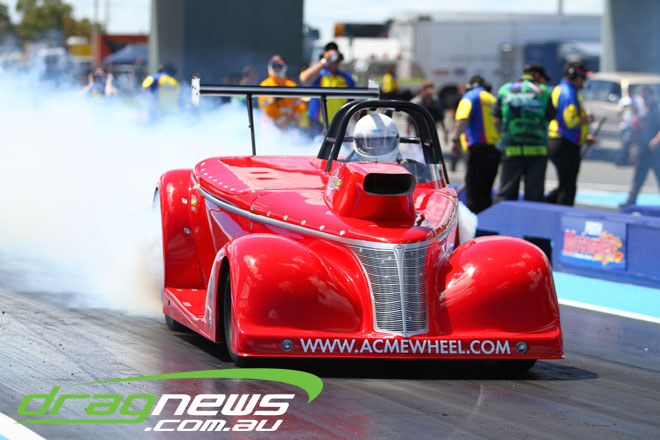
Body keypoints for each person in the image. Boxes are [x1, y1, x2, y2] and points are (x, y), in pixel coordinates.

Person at [493, 64, 555, 203]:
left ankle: (503, 217)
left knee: (506, 193)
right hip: (537, 151)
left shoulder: (505, 89)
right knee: (534, 197)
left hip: (511, 149)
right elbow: (550, 117)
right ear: (537, 76)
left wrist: (504, 137)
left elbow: (496, 120)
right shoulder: (543, 91)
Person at [545, 62, 596, 206]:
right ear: (573, 75)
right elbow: (570, 121)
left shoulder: (562, 89)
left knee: (565, 183)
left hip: (561, 140)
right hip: (564, 143)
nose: (584, 81)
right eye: (582, 77)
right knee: (568, 186)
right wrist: (587, 120)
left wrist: (584, 137)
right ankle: (562, 212)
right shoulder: (569, 94)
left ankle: (549, 205)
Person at [451, 75, 501, 213]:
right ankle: (486, 219)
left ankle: (475, 222)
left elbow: (463, 119)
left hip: (477, 149)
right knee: (486, 191)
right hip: (494, 150)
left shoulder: (470, 96)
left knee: (473, 193)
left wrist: (455, 140)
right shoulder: (492, 98)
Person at [299, 41, 355, 134]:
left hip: (339, 123)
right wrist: (324, 61)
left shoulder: (347, 78)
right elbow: (305, 79)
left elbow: (351, 102)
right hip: (317, 124)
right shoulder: (318, 75)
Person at [621, 87, 660, 207]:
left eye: (646, 97)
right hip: (642, 149)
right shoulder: (642, 110)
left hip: (656, 151)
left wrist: (656, 140)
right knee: (638, 177)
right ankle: (631, 201)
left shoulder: (657, 110)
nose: (645, 99)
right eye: (643, 97)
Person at [258, 55, 304, 130]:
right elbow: (268, 107)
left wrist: (295, 121)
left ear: (284, 67)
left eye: (279, 66)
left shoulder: (291, 85)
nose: (277, 68)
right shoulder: (265, 85)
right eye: (274, 66)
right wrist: (283, 123)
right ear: (270, 67)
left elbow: (299, 106)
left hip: (290, 129)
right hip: (271, 129)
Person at [615, 89, 643, 165]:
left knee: (626, 142)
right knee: (624, 143)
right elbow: (619, 111)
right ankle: (626, 159)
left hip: (633, 125)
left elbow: (640, 111)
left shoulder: (638, 100)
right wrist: (623, 109)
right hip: (624, 125)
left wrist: (630, 108)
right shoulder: (624, 100)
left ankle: (621, 159)